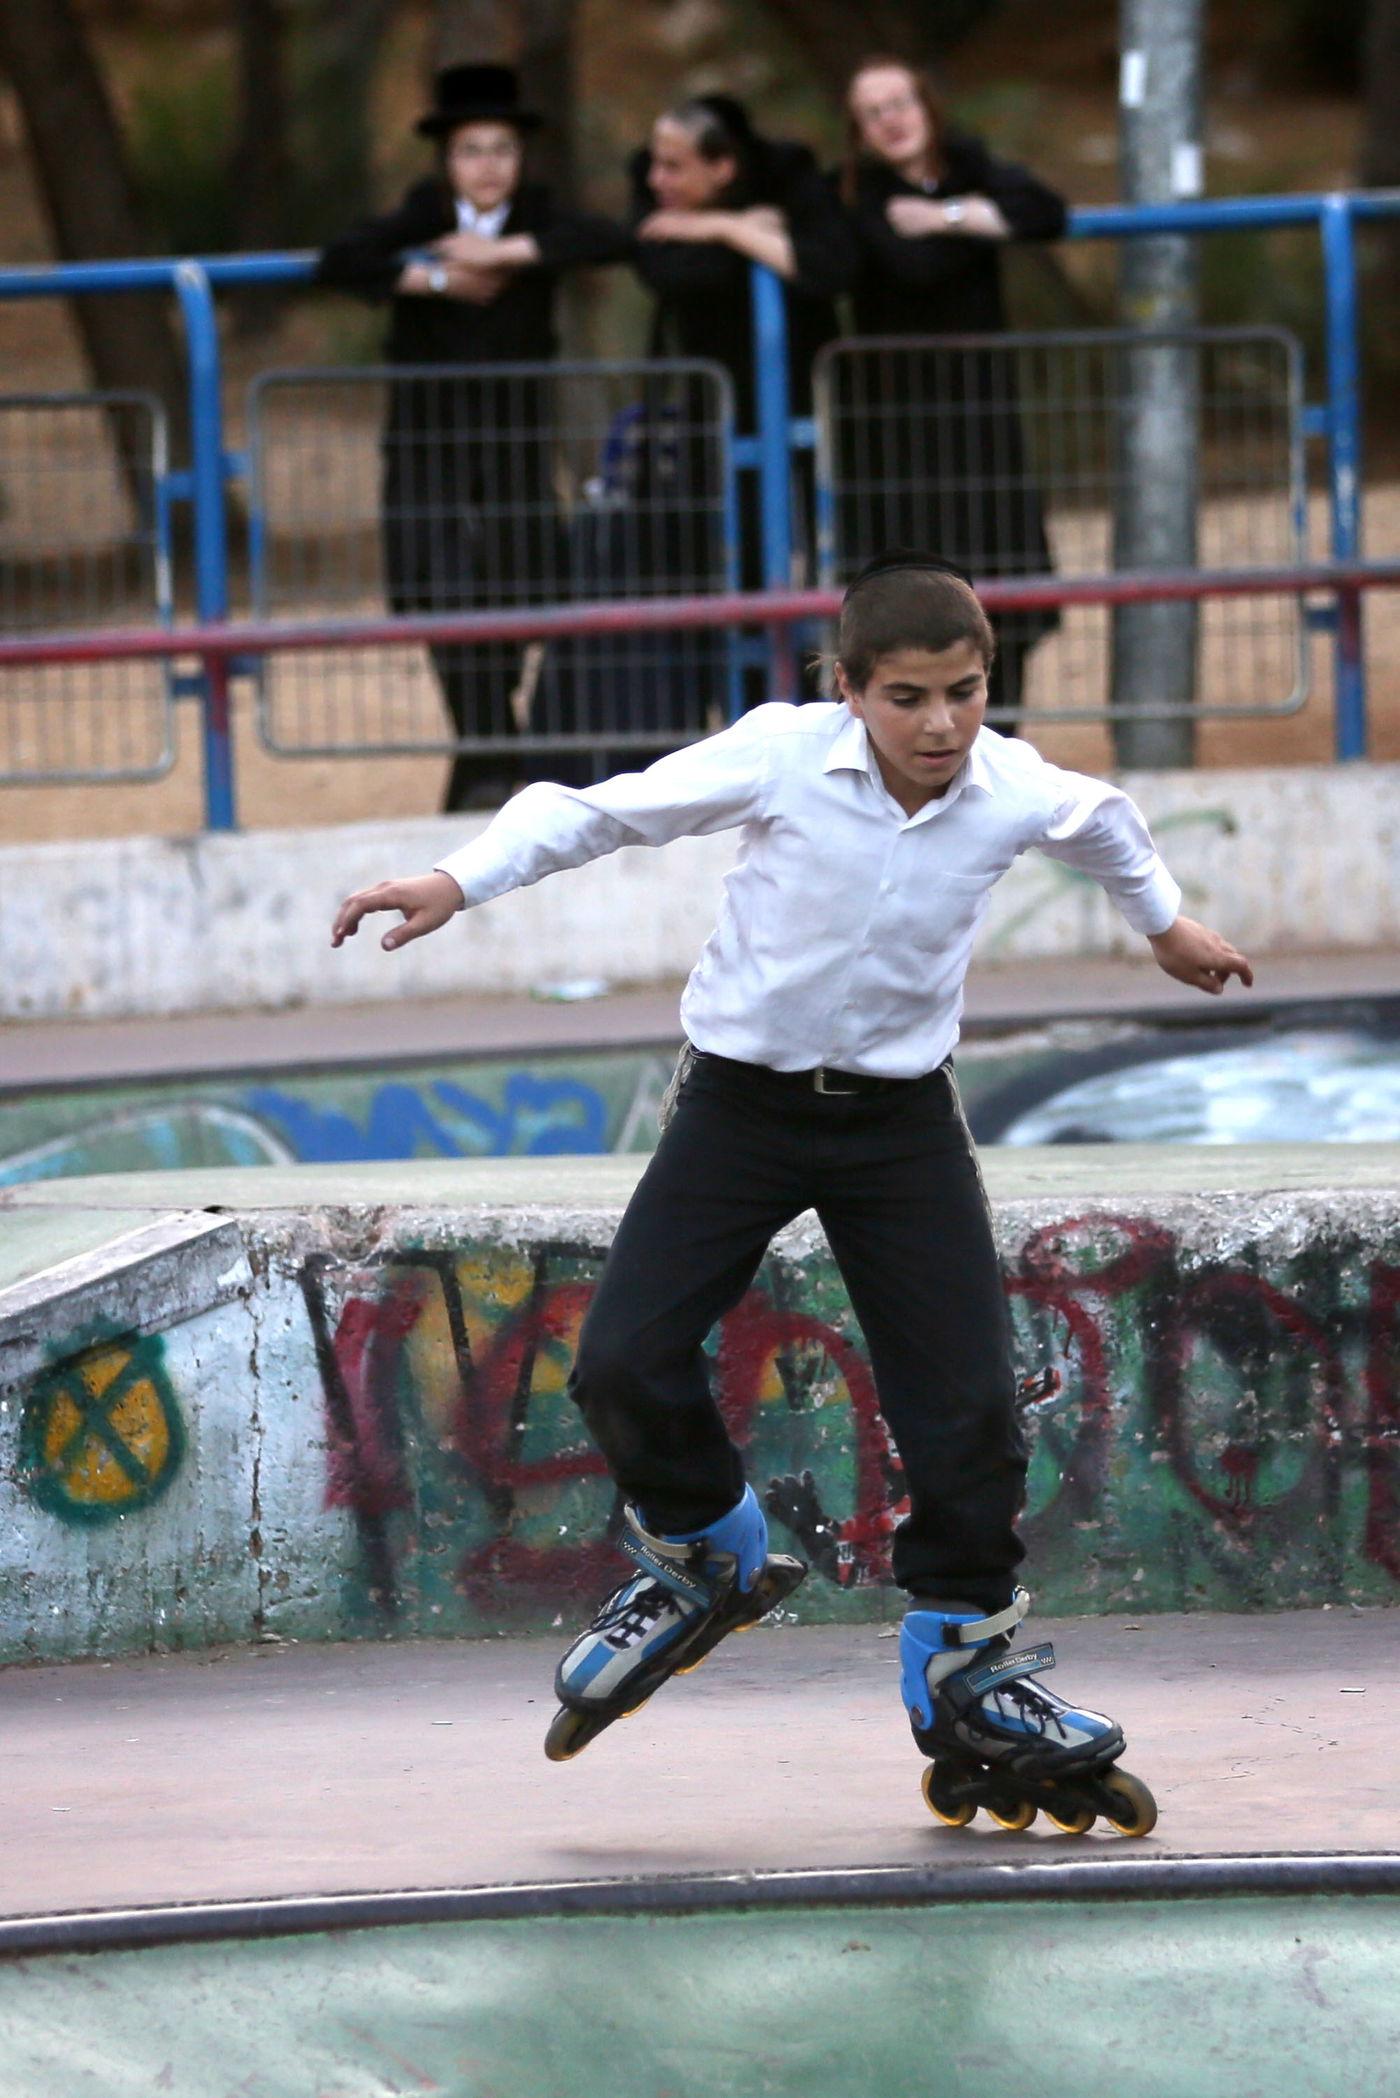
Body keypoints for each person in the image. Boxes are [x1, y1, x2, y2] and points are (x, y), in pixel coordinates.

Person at [330, 551, 1252, 1829]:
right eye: (907, 698)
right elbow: (597, 810)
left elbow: (1102, 822)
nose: (939, 726)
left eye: (964, 693)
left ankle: (961, 1661)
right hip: (741, 1110)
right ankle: (708, 1546)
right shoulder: (776, 756)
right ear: (848, 690)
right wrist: (456, 880)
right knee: (620, 1359)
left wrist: (1163, 926)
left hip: (899, 1128)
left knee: (969, 1410)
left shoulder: (1007, 785)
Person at [316, 64, 626, 809]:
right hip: (427, 447)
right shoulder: (422, 217)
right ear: (446, 159)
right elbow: (340, 260)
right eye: (471, 150)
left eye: (502, 150)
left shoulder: (540, 217)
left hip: (513, 449)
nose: (488, 166)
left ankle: (486, 761)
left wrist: (509, 253)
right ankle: (495, 753)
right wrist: (431, 279)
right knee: (434, 590)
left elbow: (610, 239)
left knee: (518, 590)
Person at [835, 59, 1070, 723]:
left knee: (1002, 580)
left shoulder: (967, 165)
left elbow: (1045, 213)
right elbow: (911, 264)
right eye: (873, 111)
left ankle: (1001, 733)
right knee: (910, 592)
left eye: (901, 102)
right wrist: (977, 226)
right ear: (858, 129)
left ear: (927, 105)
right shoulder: (856, 192)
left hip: (980, 417)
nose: (892, 120)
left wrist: (948, 215)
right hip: (896, 430)